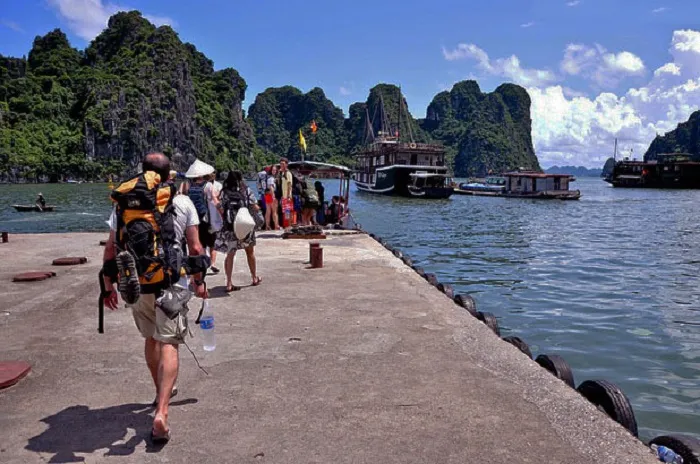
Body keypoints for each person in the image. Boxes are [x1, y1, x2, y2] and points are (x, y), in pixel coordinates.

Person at [102, 153, 208, 444]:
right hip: (171, 282)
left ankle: (159, 389)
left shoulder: (123, 203)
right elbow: (196, 246)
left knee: (151, 338)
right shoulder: (182, 201)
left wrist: (107, 285)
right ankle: (162, 411)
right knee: (169, 342)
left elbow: (111, 249)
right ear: (167, 175)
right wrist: (199, 280)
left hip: (136, 285)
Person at [215, 171, 262, 291]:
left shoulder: (224, 192)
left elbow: (219, 206)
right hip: (245, 226)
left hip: (231, 227)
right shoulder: (246, 190)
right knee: (250, 252)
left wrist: (226, 218)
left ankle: (229, 283)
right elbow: (255, 206)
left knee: (230, 255)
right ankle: (254, 277)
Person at [181, 160, 216, 262]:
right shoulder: (208, 185)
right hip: (204, 216)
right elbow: (214, 199)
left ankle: (200, 260)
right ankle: (208, 262)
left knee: (198, 240)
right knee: (210, 241)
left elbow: (184, 195)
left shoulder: (190, 186)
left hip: (192, 216)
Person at [204, 172, 223, 273]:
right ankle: (210, 262)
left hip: (213, 216)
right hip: (207, 216)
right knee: (211, 242)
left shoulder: (218, 185)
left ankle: (212, 263)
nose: (213, 175)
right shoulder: (205, 186)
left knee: (212, 241)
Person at [275, 158, 293, 227]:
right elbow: (279, 183)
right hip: (284, 196)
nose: (281, 165)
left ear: (286, 164)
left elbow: (289, 185)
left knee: (288, 211)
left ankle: (289, 226)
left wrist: (288, 196)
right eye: (280, 164)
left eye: (283, 163)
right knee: (286, 212)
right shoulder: (282, 173)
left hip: (287, 196)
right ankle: (288, 226)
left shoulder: (288, 173)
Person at [265, 165, 279, 230]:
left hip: (267, 195)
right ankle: (276, 226)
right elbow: (271, 187)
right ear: (271, 170)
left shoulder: (268, 177)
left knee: (268, 211)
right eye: (273, 170)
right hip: (271, 195)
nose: (274, 171)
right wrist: (273, 196)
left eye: (275, 170)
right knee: (274, 211)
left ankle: (267, 226)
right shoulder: (271, 179)